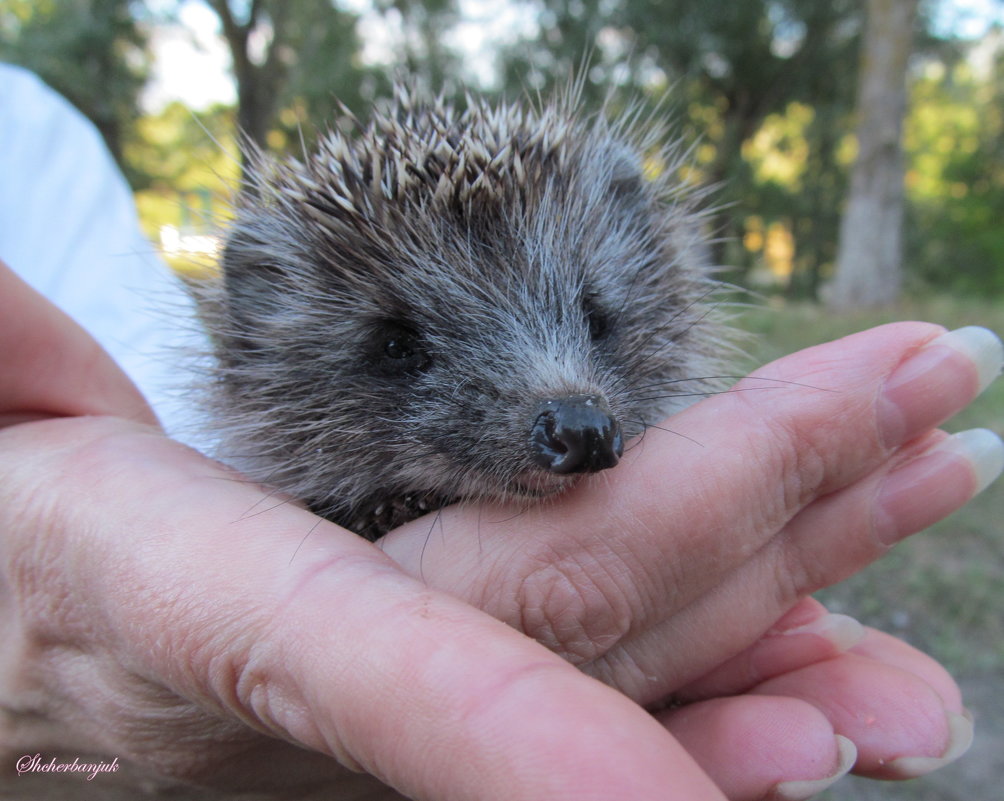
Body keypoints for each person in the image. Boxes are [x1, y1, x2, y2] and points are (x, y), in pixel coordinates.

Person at [1, 63, 1001, 801]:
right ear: (260, 329)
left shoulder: (37, 147)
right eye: (402, 348)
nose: (564, 404)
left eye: (594, 324)